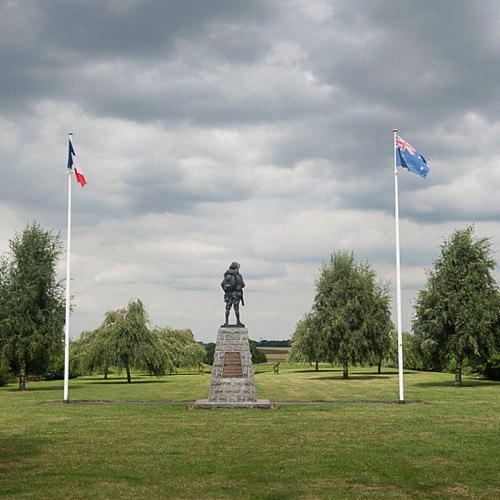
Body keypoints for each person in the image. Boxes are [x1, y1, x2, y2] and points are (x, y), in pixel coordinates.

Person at [221, 262, 245, 327]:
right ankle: (238, 321)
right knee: (236, 308)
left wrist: (226, 291)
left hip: (228, 294)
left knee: (227, 308)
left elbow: (222, 284)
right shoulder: (238, 276)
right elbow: (243, 285)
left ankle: (226, 321)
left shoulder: (227, 276)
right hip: (236, 294)